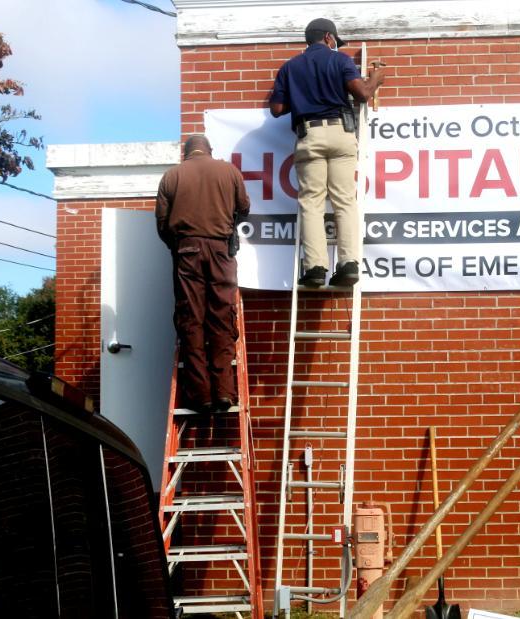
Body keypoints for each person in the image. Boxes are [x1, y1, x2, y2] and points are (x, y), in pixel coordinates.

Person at [269, 17, 386, 287]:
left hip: (308, 135)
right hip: (341, 133)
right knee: (344, 200)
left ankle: (315, 268)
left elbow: (276, 109)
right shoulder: (340, 60)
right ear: (329, 38)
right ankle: (348, 264)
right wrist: (376, 78)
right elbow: (362, 94)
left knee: (311, 203)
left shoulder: (289, 68)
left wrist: (301, 98)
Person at [155, 134, 251, 413]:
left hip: (187, 252)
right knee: (221, 317)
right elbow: (244, 208)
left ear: (185, 153)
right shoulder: (229, 171)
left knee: (191, 318)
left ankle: (201, 395)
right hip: (221, 251)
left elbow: (162, 223)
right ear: (210, 150)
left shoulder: (171, 176)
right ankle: (224, 392)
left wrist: (179, 247)